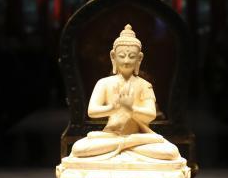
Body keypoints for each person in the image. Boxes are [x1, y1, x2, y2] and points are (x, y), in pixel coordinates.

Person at [66, 24, 179, 162]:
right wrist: (113, 108)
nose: (126, 61)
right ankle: (127, 146)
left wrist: (131, 109)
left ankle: (123, 147)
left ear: (139, 58)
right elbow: (92, 111)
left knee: (171, 152)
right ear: (113, 57)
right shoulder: (104, 83)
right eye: (121, 56)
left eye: (131, 56)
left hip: (137, 136)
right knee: (78, 148)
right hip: (111, 136)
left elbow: (151, 115)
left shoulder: (144, 85)